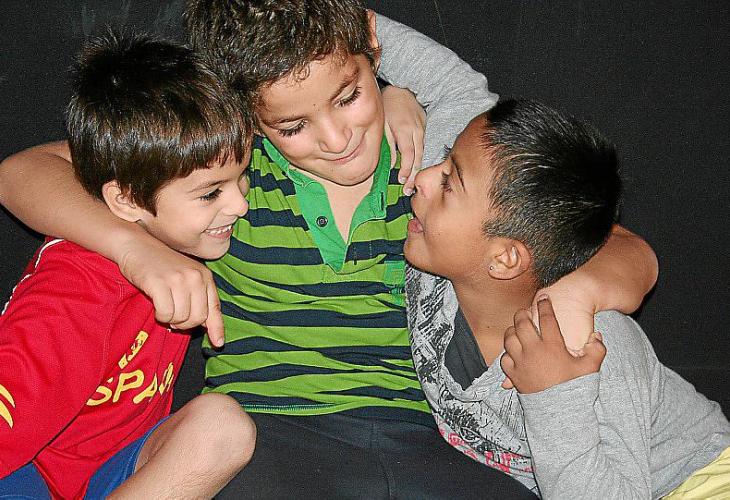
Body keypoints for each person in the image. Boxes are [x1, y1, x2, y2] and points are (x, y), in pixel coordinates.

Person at [0, 2, 657, 497]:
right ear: (248, 114)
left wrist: (577, 291)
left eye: (349, 97)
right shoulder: (223, 177)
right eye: (293, 125)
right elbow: (22, 172)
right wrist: (135, 249)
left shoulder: (438, 170)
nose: (338, 139)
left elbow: (623, 249)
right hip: (270, 432)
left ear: (374, 59)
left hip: (430, 439)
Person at [404, 98, 730, 499]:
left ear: (504, 259)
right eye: (442, 160)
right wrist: (395, 95)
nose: (421, 177)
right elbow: (445, 86)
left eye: (449, 183)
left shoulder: (592, 347)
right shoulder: (435, 269)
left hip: (698, 480)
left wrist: (550, 397)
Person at [0, 32, 256, 499]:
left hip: (111, 469)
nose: (240, 205)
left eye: (242, 177)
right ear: (127, 200)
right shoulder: (74, 293)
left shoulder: (172, 215)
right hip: (28, 476)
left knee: (222, 425)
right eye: (210, 193)